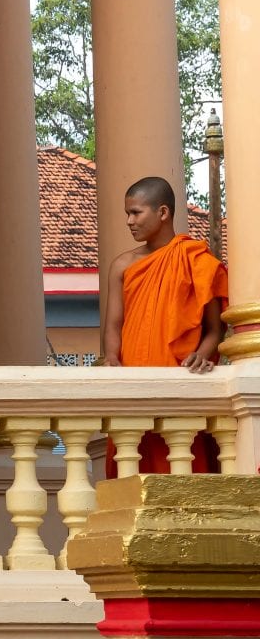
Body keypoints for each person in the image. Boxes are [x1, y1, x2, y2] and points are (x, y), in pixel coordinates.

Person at [101, 175, 228, 474]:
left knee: (182, 466)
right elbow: (113, 326)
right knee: (133, 467)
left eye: (136, 212)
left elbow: (215, 328)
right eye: (127, 214)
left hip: (181, 378)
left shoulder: (195, 259)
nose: (129, 221)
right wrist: (112, 360)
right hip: (133, 382)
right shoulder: (123, 265)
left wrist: (203, 353)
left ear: (162, 212)